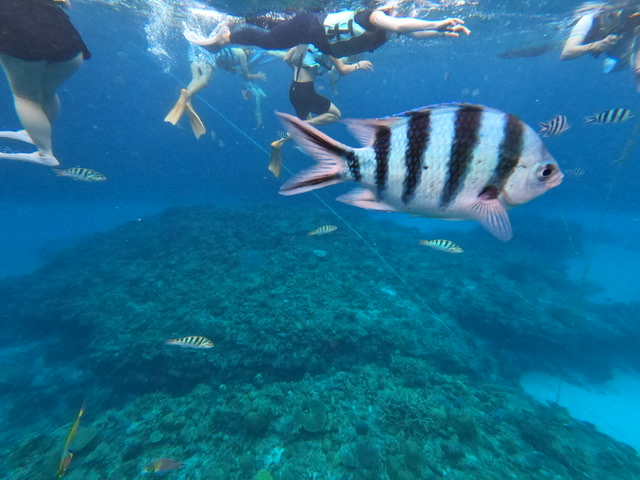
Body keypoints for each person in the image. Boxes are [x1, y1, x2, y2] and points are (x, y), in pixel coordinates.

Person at [0, 0, 90, 166]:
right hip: (67, 44)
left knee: (26, 97)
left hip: (19, 38)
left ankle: (45, 153)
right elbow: (66, 4)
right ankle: (33, 133)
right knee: (47, 92)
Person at [185, 5, 470, 57]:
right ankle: (226, 36)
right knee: (272, 42)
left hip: (317, 38)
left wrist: (439, 32)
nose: (399, 10)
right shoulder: (376, 16)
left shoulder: (388, 31)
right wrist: (436, 23)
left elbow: (412, 32)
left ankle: (242, 21)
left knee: (279, 32)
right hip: (312, 25)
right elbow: (398, 25)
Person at [268, 44, 373, 177]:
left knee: (306, 130)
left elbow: (286, 59)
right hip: (306, 92)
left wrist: (301, 71)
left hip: (294, 90)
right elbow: (343, 70)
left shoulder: (303, 44)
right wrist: (359, 65)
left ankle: (279, 142)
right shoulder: (326, 47)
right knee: (335, 115)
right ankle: (297, 128)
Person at [165, 45, 269, 137]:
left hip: (195, 51)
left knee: (195, 79)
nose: (251, 55)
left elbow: (221, 59)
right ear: (248, 51)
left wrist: (229, 68)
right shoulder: (242, 55)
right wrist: (258, 76)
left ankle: (187, 100)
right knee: (205, 80)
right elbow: (246, 76)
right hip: (207, 56)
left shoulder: (234, 51)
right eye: (251, 52)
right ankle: (187, 94)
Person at [561, 2, 640, 89]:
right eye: (612, 14)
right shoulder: (588, 18)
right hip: (583, 40)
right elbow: (566, 52)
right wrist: (595, 46)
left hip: (615, 43)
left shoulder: (631, 18)